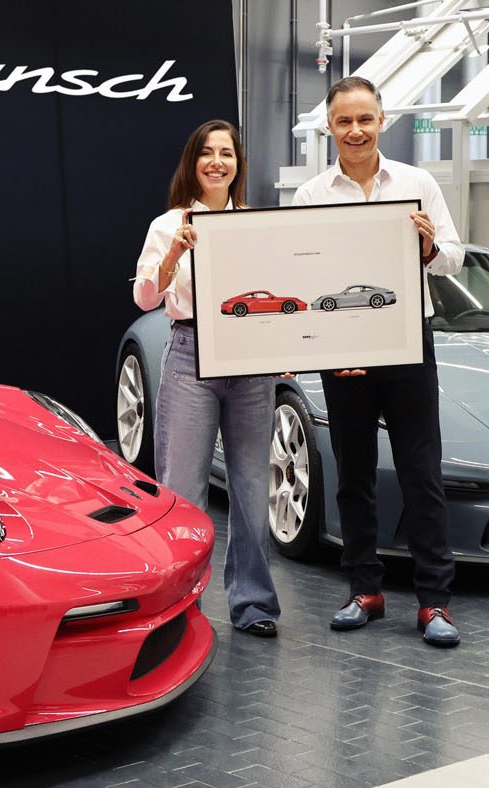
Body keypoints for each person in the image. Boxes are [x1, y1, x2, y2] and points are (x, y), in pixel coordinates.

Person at [291, 76, 462, 647]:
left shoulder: (417, 183)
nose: (356, 130)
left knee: (422, 472)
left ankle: (434, 602)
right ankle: (364, 590)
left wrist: (429, 247)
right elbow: (304, 278)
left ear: (382, 120)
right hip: (342, 347)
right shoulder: (312, 195)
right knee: (354, 474)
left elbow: (454, 258)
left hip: (407, 341)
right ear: (330, 127)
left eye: (365, 119)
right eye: (344, 121)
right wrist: (326, 346)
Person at [132, 119, 281, 638]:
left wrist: (282, 345)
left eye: (227, 153)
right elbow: (145, 299)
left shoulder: (252, 224)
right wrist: (175, 252)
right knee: (183, 489)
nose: (217, 162)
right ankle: (177, 607)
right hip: (190, 353)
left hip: (249, 358)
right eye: (207, 153)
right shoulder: (167, 224)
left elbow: (271, 293)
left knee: (251, 487)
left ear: (238, 164)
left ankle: (253, 603)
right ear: (192, 162)